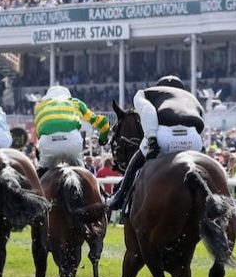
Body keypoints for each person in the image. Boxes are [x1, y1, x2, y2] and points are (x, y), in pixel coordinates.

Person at [107, 75, 204, 211]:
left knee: (136, 162)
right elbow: (201, 122)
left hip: (165, 137)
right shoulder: (191, 97)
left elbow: (148, 111)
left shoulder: (146, 93)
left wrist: (151, 137)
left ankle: (119, 197)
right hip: (194, 139)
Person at [33, 85, 110, 177]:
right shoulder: (75, 102)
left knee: (40, 175)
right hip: (72, 143)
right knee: (85, 176)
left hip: (48, 143)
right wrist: (103, 138)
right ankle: (98, 190)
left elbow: (39, 134)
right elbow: (102, 122)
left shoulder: (40, 106)